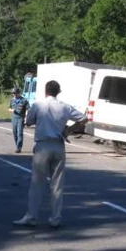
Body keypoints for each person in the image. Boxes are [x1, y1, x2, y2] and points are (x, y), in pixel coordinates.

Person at [13, 80, 84, 229]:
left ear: (46, 91)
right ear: (58, 92)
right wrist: (68, 130)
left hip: (43, 144)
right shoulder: (65, 107)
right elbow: (84, 118)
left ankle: (32, 216)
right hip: (59, 144)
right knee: (57, 184)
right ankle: (55, 218)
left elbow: (29, 121)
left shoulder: (39, 105)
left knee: (36, 183)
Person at [8, 87, 29, 153]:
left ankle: (18, 147)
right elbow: (9, 108)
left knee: (19, 133)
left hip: (21, 118)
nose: (14, 95)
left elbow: (27, 109)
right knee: (14, 132)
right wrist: (12, 110)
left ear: (18, 93)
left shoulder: (24, 100)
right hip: (14, 118)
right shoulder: (12, 100)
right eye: (13, 93)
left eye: (15, 93)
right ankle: (17, 144)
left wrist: (26, 117)